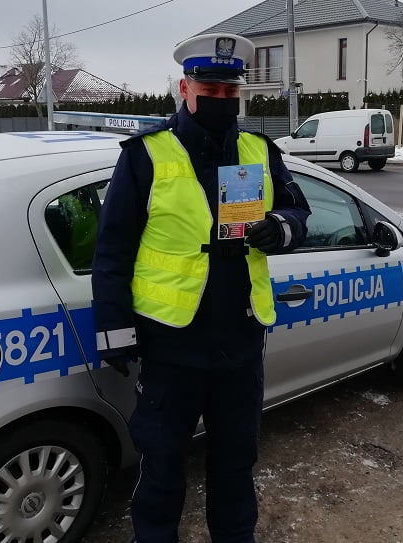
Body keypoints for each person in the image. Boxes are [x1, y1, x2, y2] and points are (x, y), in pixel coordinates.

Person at [91, 32, 310, 543]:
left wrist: (280, 226)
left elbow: (298, 210)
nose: (221, 100)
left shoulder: (259, 150)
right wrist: (115, 330)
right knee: (162, 464)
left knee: (236, 461)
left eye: (231, 92)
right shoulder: (146, 155)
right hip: (171, 343)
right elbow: (113, 250)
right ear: (185, 89)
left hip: (241, 340)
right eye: (210, 91)